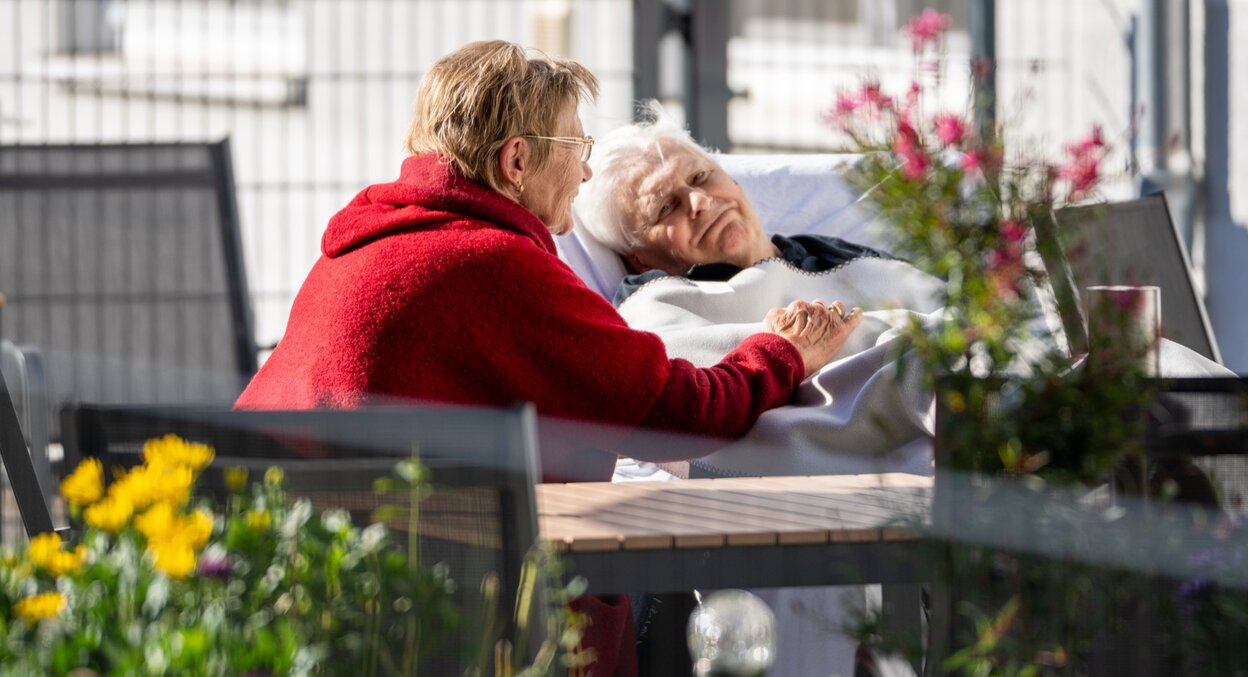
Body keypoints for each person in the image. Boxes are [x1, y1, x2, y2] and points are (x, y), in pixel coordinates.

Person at [234, 41, 859, 676]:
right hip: (432, 620)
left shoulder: (358, 248)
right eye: (577, 151)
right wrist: (783, 351)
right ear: (517, 161)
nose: (585, 175)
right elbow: (682, 415)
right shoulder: (491, 265)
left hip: (287, 592)